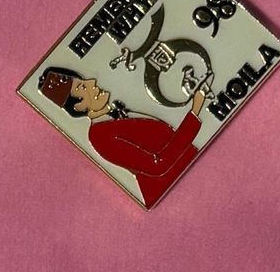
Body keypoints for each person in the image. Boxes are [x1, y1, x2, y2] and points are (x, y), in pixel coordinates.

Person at [36, 65, 206, 206]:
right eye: (82, 87)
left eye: (84, 81)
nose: (92, 82)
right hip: (177, 187)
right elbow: (157, 165)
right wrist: (195, 112)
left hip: (195, 169)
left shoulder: (118, 114)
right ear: (78, 107)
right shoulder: (100, 137)